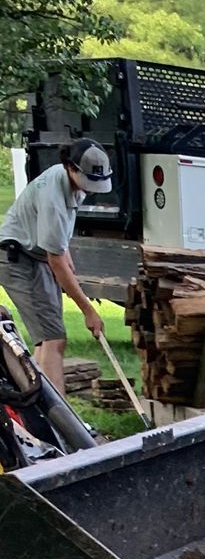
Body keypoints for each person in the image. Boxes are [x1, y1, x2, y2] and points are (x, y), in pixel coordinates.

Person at [0, 139, 113, 395]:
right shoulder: (52, 197)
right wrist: (88, 311)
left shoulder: (68, 180)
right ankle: (59, 424)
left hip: (34, 255)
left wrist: (65, 252)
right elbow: (56, 261)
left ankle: (44, 413)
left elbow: (58, 246)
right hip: (18, 258)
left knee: (47, 340)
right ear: (70, 167)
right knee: (53, 339)